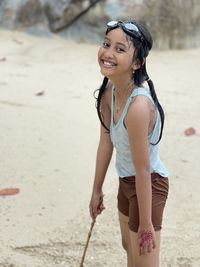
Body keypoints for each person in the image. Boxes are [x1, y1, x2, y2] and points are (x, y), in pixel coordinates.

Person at [89, 20, 169, 267]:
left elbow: (143, 169)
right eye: (106, 44)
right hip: (126, 182)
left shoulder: (138, 107)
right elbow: (106, 143)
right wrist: (96, 189)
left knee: (144, 258)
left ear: (137, 63)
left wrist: (146, 223)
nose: (108, 53)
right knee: (129, 249)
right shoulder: (107, 94)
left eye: (120, 49)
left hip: (149, 184)